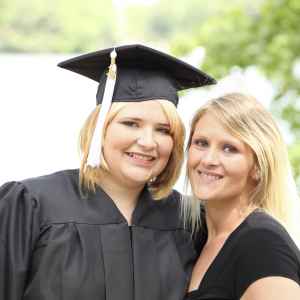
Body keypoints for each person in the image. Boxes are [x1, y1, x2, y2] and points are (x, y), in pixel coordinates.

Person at [0, 44, 216, 300]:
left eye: (163, 130)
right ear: (99, 128)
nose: (148, 141)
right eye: (131, 123)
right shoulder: (31, 206)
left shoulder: (189, 222)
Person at [182, 93, 300, 300]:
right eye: (201, 143)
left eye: (229, 149)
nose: (209, 159)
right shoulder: (195, 239)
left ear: (258, 167)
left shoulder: (263, 245)